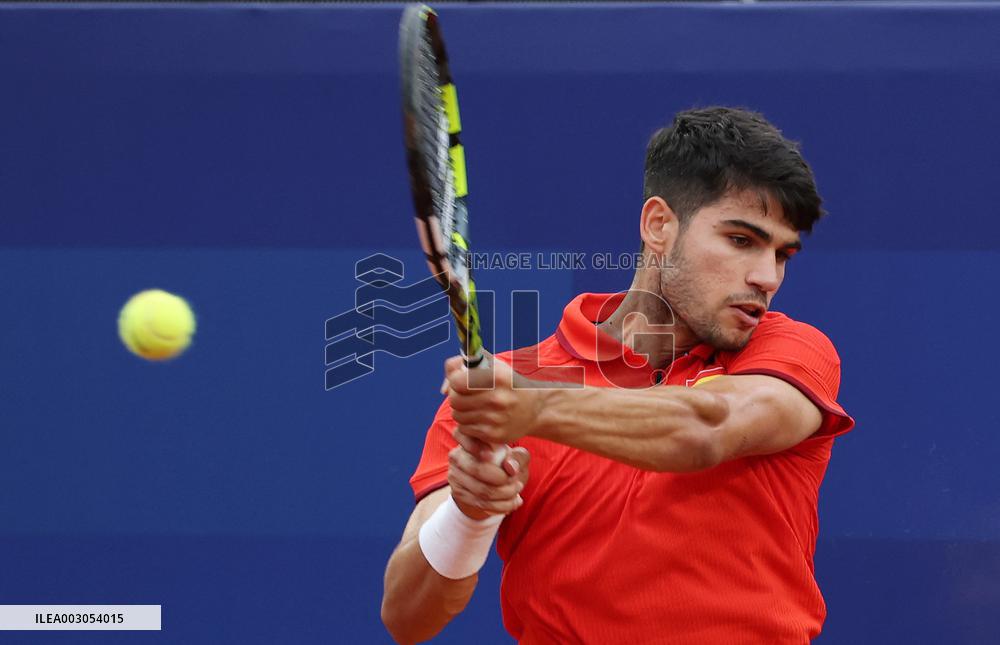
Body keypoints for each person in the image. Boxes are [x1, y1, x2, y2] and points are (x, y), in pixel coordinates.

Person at [381, 106, 855, 644]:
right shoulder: (509, 384)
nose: (766, 278)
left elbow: (707, 426)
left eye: (782, 254)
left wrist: (536, 409)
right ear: (659, 225)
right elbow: (407, 617)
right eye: (741, 241)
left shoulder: (788, 349)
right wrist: (471, 514)